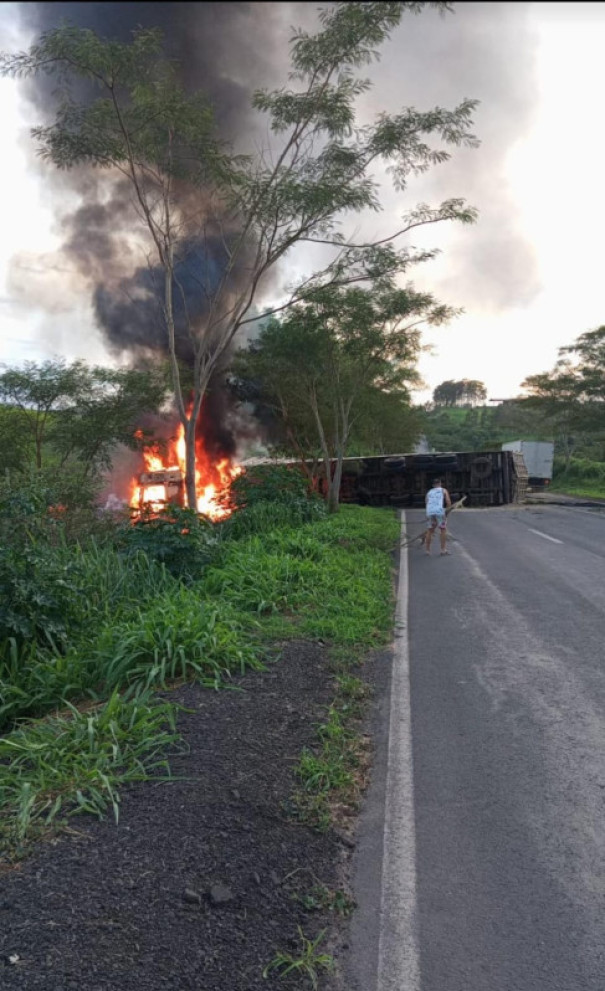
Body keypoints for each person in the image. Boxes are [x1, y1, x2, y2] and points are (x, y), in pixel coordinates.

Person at [424, 477, 452, 556]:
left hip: (430, 512)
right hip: (440, 512)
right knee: (442, 529)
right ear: (440, 483)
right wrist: (448, 511)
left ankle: (427, 550)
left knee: (430, 530)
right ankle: (443, 550)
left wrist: (428, 513)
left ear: (433, 485)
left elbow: (426, 502)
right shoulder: (443, 490)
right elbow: (448, 501)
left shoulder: (429, 492)